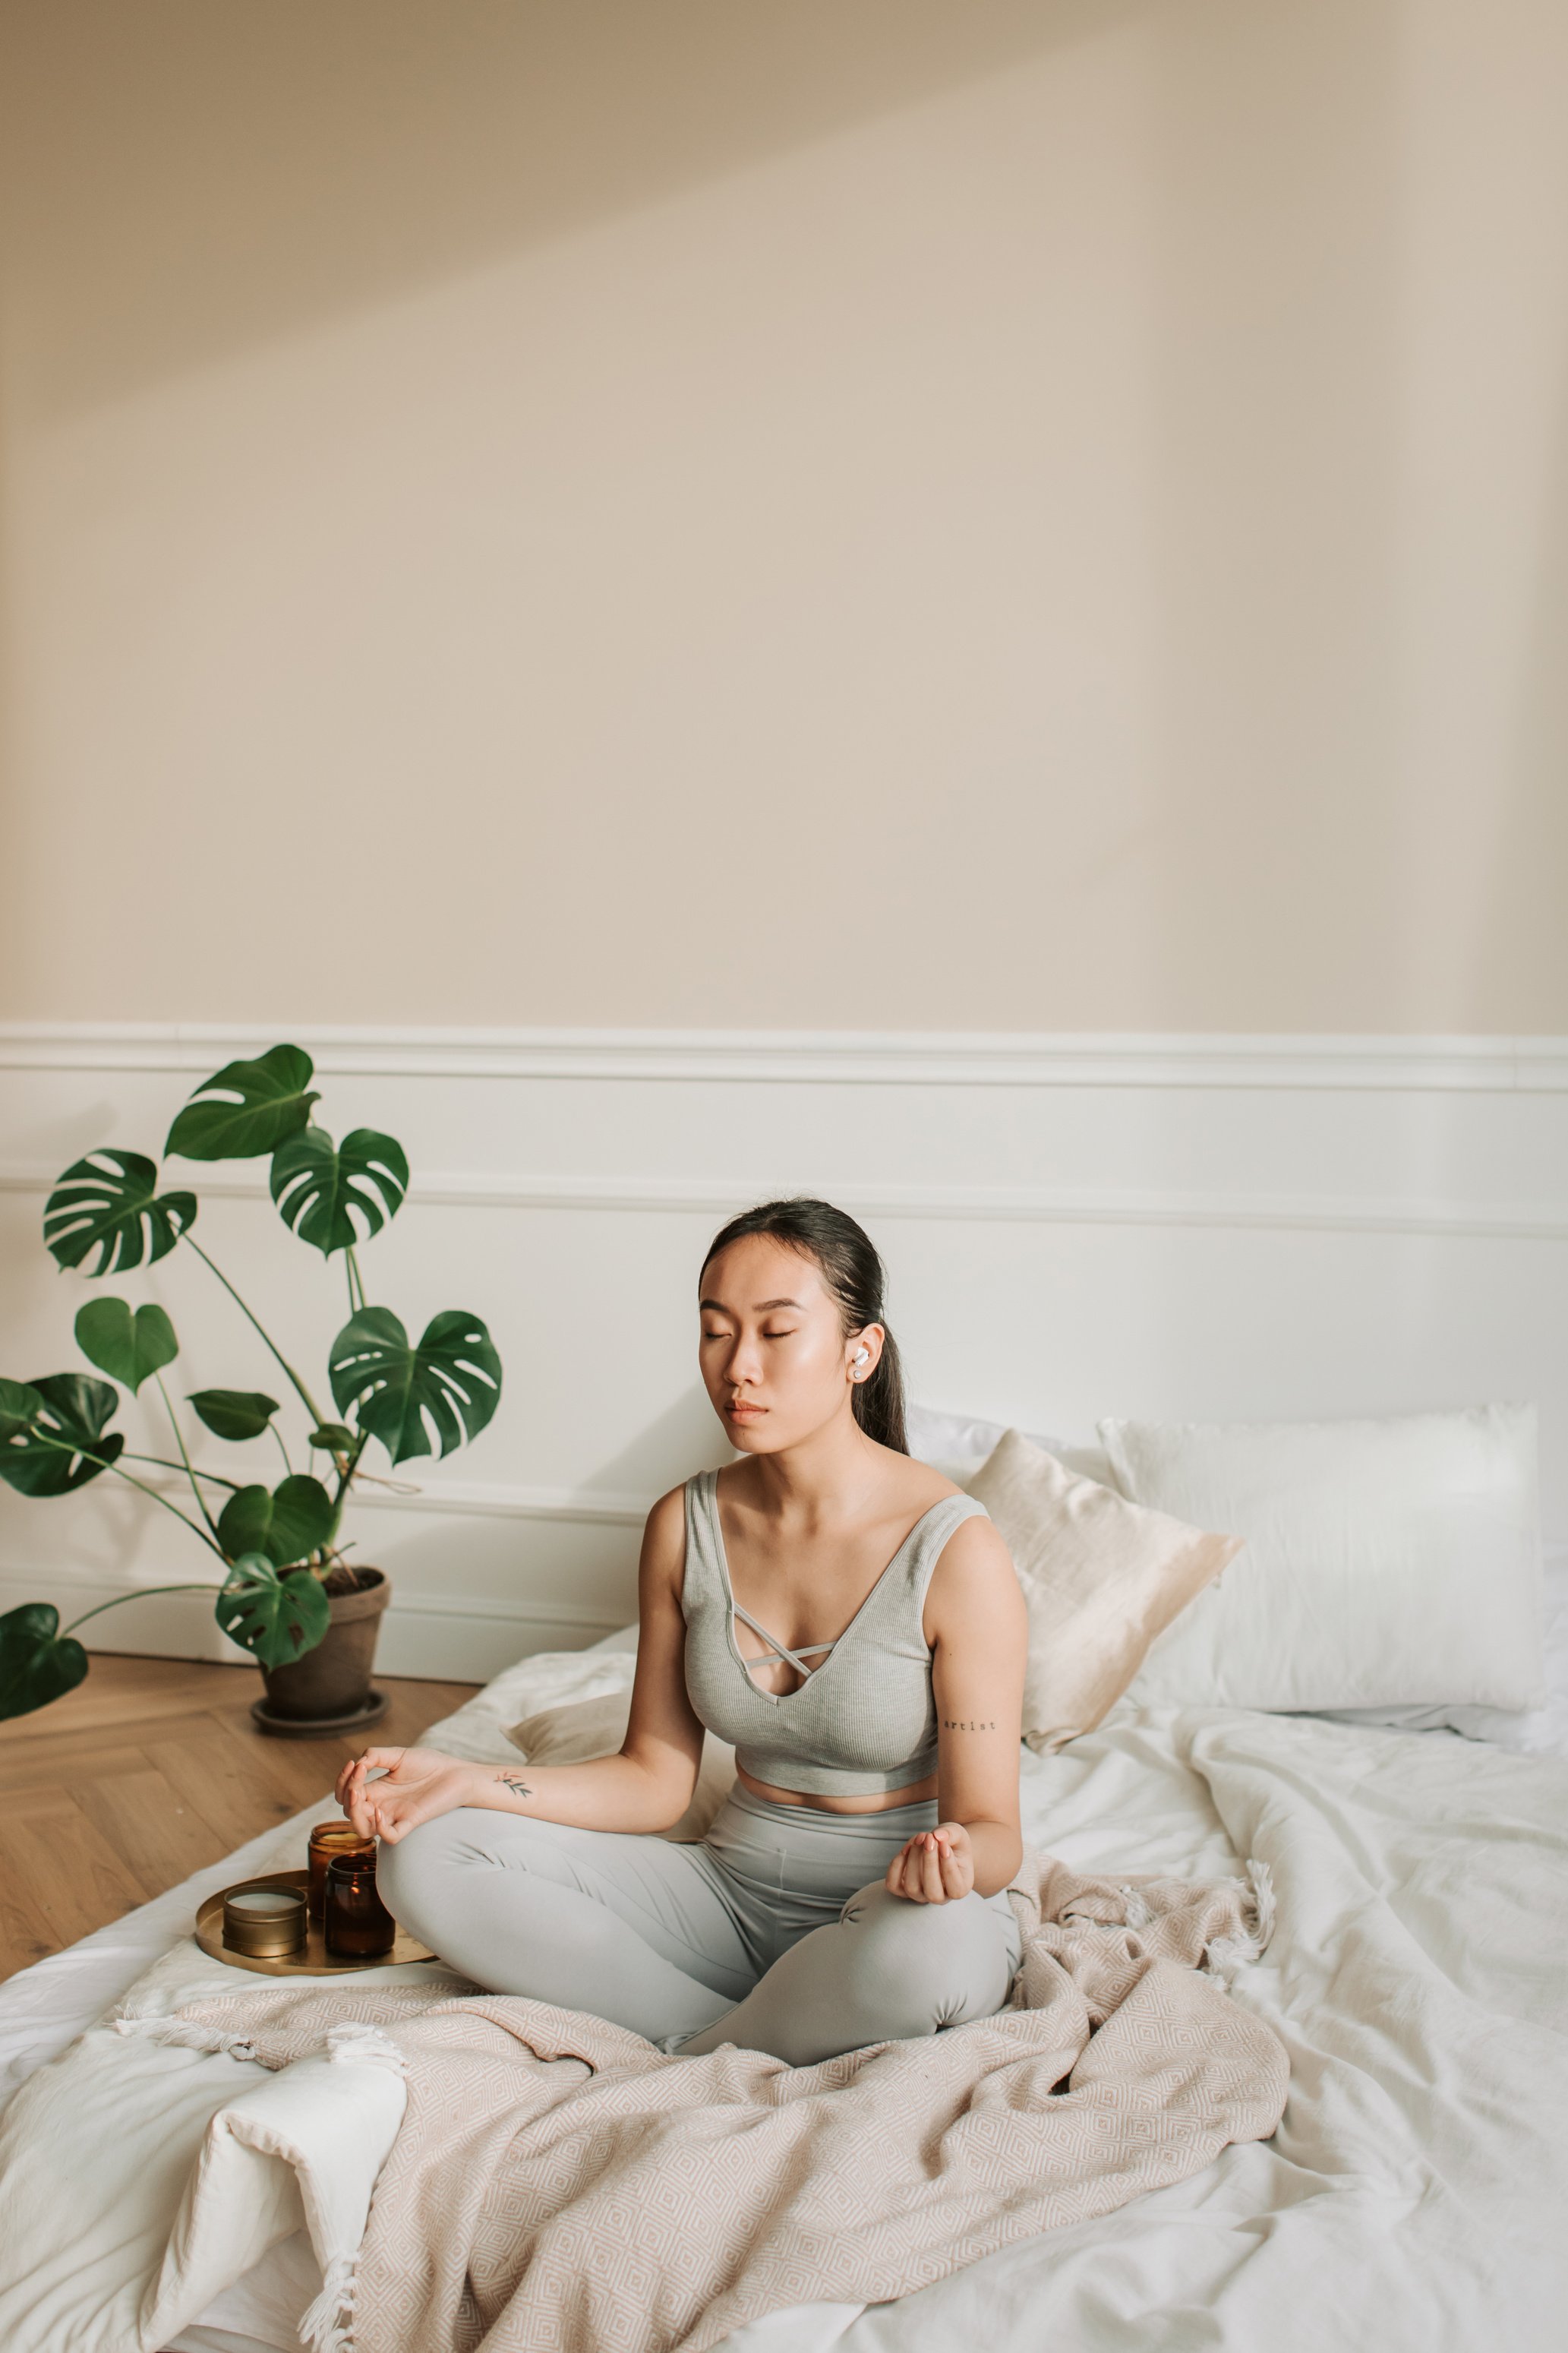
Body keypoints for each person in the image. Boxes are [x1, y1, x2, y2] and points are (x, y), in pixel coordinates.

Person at [339, 1198, 1027, 2066]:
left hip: (889, 1909)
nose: (738, 1365)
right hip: (726, 1895)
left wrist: (959, 1856)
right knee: (422, 1853)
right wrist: (471, 1780)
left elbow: (994, 1828)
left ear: (861, 1350)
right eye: (715, 1330)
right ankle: (731, 2039)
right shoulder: (684, 1522)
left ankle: (694, 2044)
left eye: (777, 1331)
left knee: (925, 1957)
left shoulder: (957, 1549)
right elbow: (652, 1780)